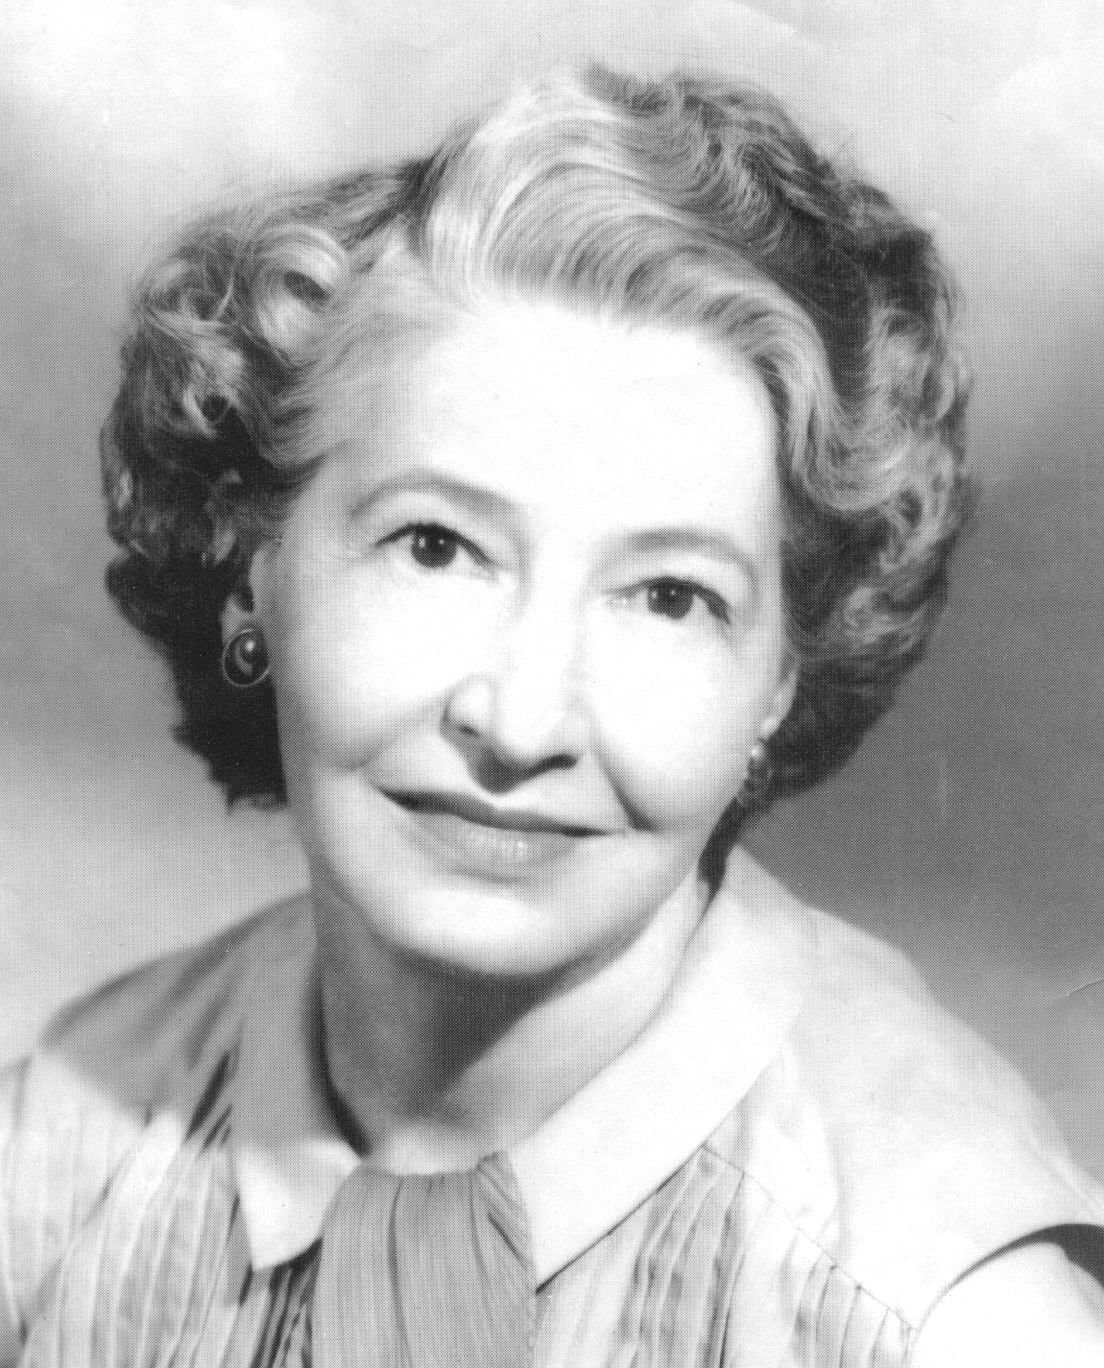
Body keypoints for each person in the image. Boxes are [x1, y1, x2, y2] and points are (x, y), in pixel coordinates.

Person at [1, 64, 1102, 1368]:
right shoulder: (60, 1143)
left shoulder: (942, 1317)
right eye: (436, 546)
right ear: (251, 564)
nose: (521, 726)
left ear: (783, 678)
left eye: (669, 596)